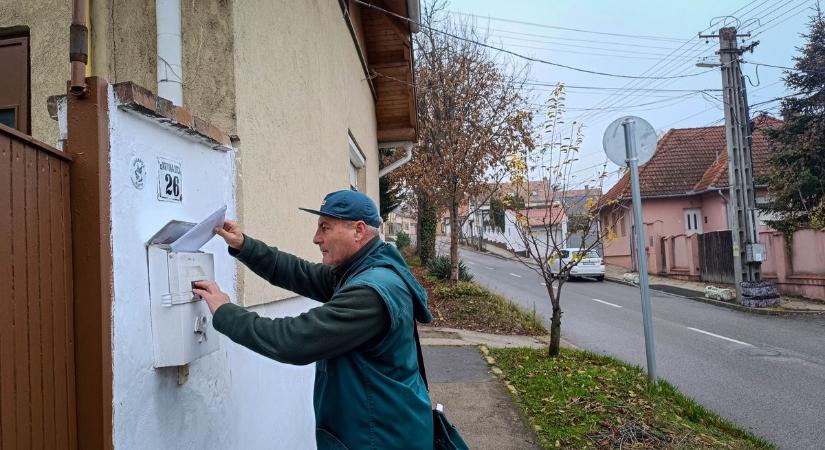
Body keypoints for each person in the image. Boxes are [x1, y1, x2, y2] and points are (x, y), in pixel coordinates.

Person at [193, 190, 434, 450]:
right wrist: (244, 245)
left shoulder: (370, 291)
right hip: (376, 429)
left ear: (358, 230)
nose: (316, 238)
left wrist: (226, 312)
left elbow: (294, 340)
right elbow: (301, 273)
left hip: (380, 438)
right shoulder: (361, 269)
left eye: (325, 228)